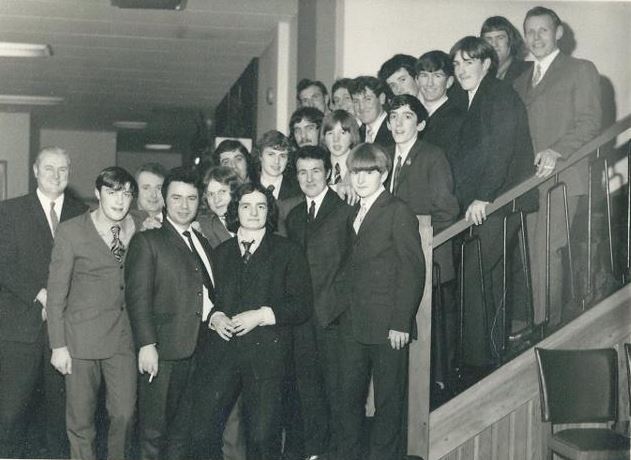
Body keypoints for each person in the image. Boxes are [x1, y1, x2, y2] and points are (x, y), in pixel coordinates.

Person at [191, 183, 312, 460]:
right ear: (236, 211)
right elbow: (205, 298)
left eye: (261, 206)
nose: (253, 212)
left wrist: (262, 315)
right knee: (202, 431)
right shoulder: (220, 253)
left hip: (267, 356)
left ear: (269, 211)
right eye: (246, 206)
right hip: (223, 354)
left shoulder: (288, 251)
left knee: (262, 436)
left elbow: (302, 305)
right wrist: (215, 317)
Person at [334, 143, 425, 460]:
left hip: (389, 326)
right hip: (353, 325)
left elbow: (412, 270)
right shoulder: (353, 212)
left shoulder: (397, 210)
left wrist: (401, 322)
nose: (359, 179)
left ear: (383, 174)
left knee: (388, 403)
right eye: (355, 172)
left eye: (368, 172)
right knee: (348, 399)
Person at [513, 6, 602, 326]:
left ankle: (547, 329)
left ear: (558, 32)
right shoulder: (520, 82)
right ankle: (538, 324)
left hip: (564, 175)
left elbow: (590, 121)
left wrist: (557, 151)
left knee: (548, 253)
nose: (536, 37)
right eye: (530, 31)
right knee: (531, 258)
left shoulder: (580, 69)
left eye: (543, 30)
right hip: (528, 183)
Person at [451, 36, 536, 367]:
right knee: (488, 280)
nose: (460, 70)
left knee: (475, 279)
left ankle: (477, 363)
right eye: (456, 64)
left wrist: (484, 196)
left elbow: (500, 151)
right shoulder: (473, 98)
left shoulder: (498, 95)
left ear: (487, 64)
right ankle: (488, 356)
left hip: (499, 202)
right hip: (490, 203)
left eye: (468, 62)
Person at [0, 146, 87, 458]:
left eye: (63, 169)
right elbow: (4, 263)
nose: (56, 174)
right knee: (9, 416)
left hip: (64, 334)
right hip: (19, 329)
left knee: (59, 419)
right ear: (35, 171)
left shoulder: (83, 214)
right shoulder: (9, 211)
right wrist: (40, 293)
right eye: (49, 168)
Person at [47, 166, 138, 460]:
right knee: (81, 422)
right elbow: (56, 293)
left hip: (123, 340)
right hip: (79, 341)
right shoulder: (71, 231)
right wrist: (58, 345)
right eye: (112, 192)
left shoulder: (138, 227)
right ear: (98, 194)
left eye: (126, 193)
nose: (120, 200)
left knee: (124, 415)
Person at [125, 167, 215, 460]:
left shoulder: (202, 243)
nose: (184, 205)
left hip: (197, 352)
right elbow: (137, 298)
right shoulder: (148, 241)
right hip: (161, 353)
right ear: (164, 200)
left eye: (191, 198)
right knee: (153, 433)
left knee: (181, 432)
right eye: (176, 197)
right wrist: (146, 346)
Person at [286, 145, 355, 460]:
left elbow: (353, 266)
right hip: (301, 322)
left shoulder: (345, 210)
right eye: (302, 171)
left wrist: (334, 307)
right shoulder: (295, 216)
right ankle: (315, 454)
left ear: (328, 172)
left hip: (334, 320)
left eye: (316, 170)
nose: (309, 178)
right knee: (308, 394)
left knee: (339, 397)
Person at [196, 165, 247, 460]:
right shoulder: (203, 226)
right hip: (219, 325)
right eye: (211, 193)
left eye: (223, 192)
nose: (216, 199)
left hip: (253, 323)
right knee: (229, 412)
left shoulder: (253, 219)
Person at [414, 50, 466, 166]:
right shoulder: (414, 114)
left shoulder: (456, 118)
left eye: (437, 76)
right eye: (424, 75)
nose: (429, 83)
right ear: (417, 80)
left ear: (449, 82)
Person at [253, 130, 301, 201]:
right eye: (271, 154)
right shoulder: (249, 186)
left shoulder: (298, 190)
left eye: (282, 156)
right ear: (260, 156)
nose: (277, 161)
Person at [481, 16, 532, 82]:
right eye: (489, 39)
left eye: (500, 38)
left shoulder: (528, 72)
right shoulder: (481, 75)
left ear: (511, 40)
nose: (494, 44)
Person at [320, 109, 361, 189]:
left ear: (352, 136)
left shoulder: (361, 168)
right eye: (330, 133)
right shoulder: (320, 168)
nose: (336, 139)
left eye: (343, 133)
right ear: (324, 137)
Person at [350, 76, 394, 149]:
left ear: (381, 98)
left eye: (367, 99)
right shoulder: (356, 135)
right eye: (356, 101)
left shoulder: (395, 130)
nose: (361, 107)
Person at [131, 162, 167, 230]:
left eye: (159, 188)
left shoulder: (178, 224)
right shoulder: (123, 224)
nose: (153, 195)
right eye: (146, 188)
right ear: (135, 191)